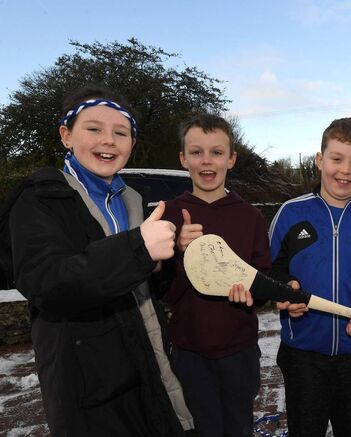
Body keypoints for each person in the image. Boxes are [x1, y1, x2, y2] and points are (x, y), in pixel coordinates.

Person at [0, 84, 194, 436]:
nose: (108, 140)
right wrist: (139, 249)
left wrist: (167, 258)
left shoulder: (132, 198)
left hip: (148, 366)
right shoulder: (39, 199)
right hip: (88, 388)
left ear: (132, 145)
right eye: (93, 129)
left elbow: (140, 283)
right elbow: (46, 282)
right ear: (66, 135)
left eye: (121, 132)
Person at [269, 117, 351, 437]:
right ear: (319, 160)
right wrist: (285, 291)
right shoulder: (290, 213)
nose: (345, 170)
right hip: (303, 356)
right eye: (336, 159)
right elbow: (269, 271)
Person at [160, 113, 271, 437]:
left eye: (216, 152)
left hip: (239, 350)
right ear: (183, 158)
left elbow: (263, 278)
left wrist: (252, 293)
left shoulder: (250, 217)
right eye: (196, 152)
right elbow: (161, 291)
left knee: (239, 427)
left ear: (231, 159)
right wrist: (178, 254)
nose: (206, 161)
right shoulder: (168, 214)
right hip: (189, 352)